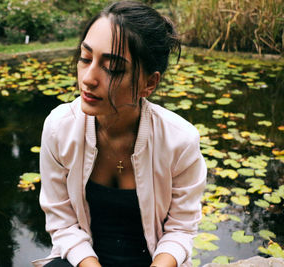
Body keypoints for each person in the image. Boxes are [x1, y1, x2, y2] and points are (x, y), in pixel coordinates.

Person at [32, 1, 207, 267]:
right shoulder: (59, 127)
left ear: (149, 83)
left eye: (112, 67)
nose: (88, 79)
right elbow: (62, 223)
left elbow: (181, 230)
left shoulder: (180, 140)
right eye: (85, 58)